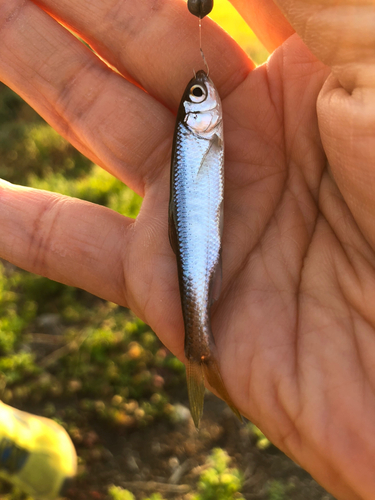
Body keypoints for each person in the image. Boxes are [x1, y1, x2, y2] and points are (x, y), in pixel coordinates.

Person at [0, 0, 373, 498]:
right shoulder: (202, 131)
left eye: (196, 94)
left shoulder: (203, 131)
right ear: (198, 116)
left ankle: (203, 356)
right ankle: (201, 352)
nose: (205, 94)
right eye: (200, 95)